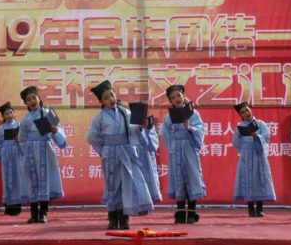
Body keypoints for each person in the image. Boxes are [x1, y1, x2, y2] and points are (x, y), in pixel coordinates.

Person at [88, 80, 154, 230]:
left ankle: (124, 219)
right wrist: (104, 150)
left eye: (111, 95)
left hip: (126, 152)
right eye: (106, 97)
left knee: (127, 184)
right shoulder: (99, 117)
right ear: (101, 101)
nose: (110, 99)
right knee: (112, 185)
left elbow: (132, 130)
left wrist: (140, 127)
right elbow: (92, 137)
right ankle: (112, 218)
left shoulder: (125, 112)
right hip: (110, 154)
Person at [18, 86, 66, 223]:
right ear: (26, 103)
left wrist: (55, 131)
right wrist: (25, 153)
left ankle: (43, 213)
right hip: (31, 152)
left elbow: (60, 133)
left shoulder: (49, 113)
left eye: (34, 97)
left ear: (39, 98)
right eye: (28, 99)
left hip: (45, 149)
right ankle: (33, 214)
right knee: (33, 182)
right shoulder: (25, 118)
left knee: (46, 181)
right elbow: (22, 138)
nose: (32, 101)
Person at [161, 84, 206, 224]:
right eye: (173, 97)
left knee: (192, 178)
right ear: (171, 101)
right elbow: (165, 134)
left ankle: (192, 213)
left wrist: (189, 128)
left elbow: (200, 129)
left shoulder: (194, 113)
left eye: (178, 95)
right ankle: (180, 213)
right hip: (176, 151)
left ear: (183, 96)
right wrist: (173, 147)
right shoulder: (168, 117)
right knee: (178, 179)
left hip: (189, 149)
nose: (176, 99)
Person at [232, 101, 276, 217]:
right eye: (243, 112)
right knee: (248, 180)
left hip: (258, 155)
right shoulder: (239, 127)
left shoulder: (260, 124)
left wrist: (257, 137)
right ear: (240, 115)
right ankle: (250, 208)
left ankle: (260, 208)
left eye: (247, 110)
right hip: (246, 156)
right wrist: (244, 149)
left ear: (250, 110)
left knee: (259, 179)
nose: (246, 113)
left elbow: (266, 136)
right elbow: (236, 142)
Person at [0, 101, 28, 216]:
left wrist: (19, 141)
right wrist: (1, 155)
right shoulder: (0, 129)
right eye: (6, 114)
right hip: (7, 156)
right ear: (3, 116)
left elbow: (25, 140)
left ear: (14, 113)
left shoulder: (19, 126)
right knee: (7, 180)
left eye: (10, 113)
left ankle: (17, 206)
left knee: (18, 180)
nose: (9, 115)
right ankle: (8, 206)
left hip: (17, 155)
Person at [135, 116, 162, 205]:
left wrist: (149, 129)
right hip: (133, 153)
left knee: (148, 178)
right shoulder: (128, 122)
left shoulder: (149, 123)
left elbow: (153, 142)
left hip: (146, 155)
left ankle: (147, 203)